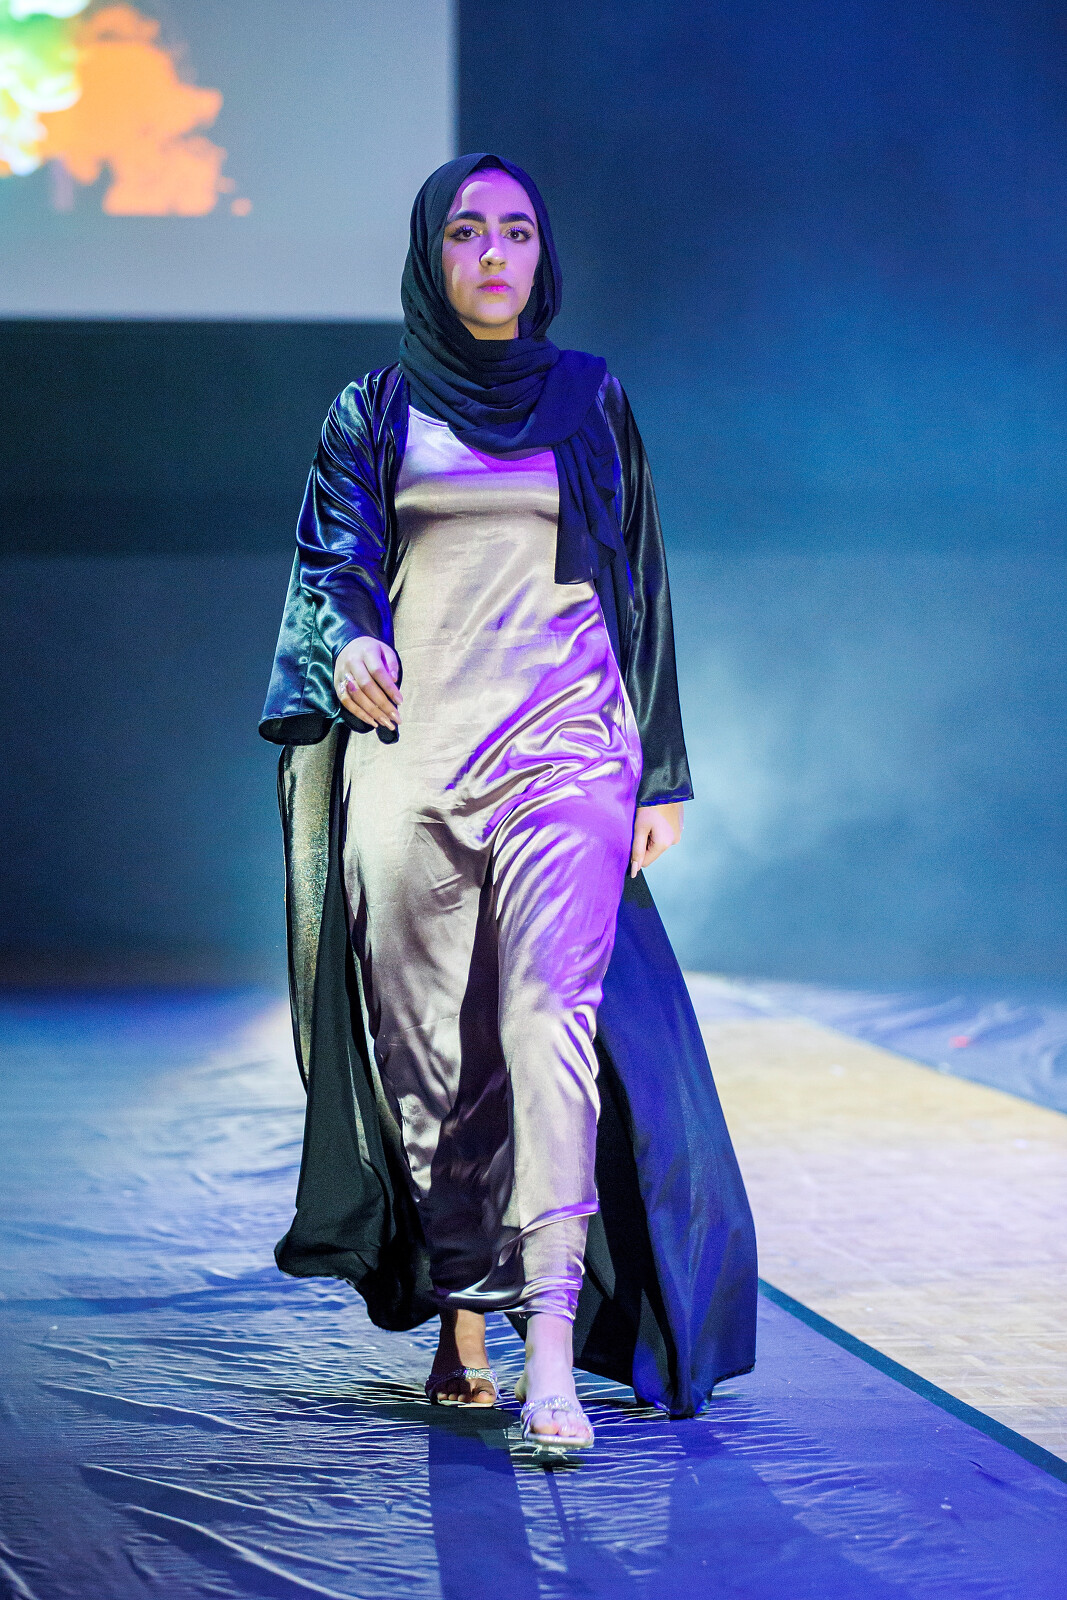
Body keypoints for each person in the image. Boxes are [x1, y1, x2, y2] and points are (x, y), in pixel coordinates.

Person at [260, 153, 756, 1452]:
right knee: (436, 1053)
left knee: (548, 1023)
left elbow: (641, 582)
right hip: (415, 760)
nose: (494, 253)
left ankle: (547, 1340)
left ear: (544, 255)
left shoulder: (591, 399)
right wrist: (348, 643)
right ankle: (463, 1314)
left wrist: (661, 770)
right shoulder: (373, 410)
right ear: (432, 254)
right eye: (468, 232)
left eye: (517, 232)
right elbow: (332, 564)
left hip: (567, 751)